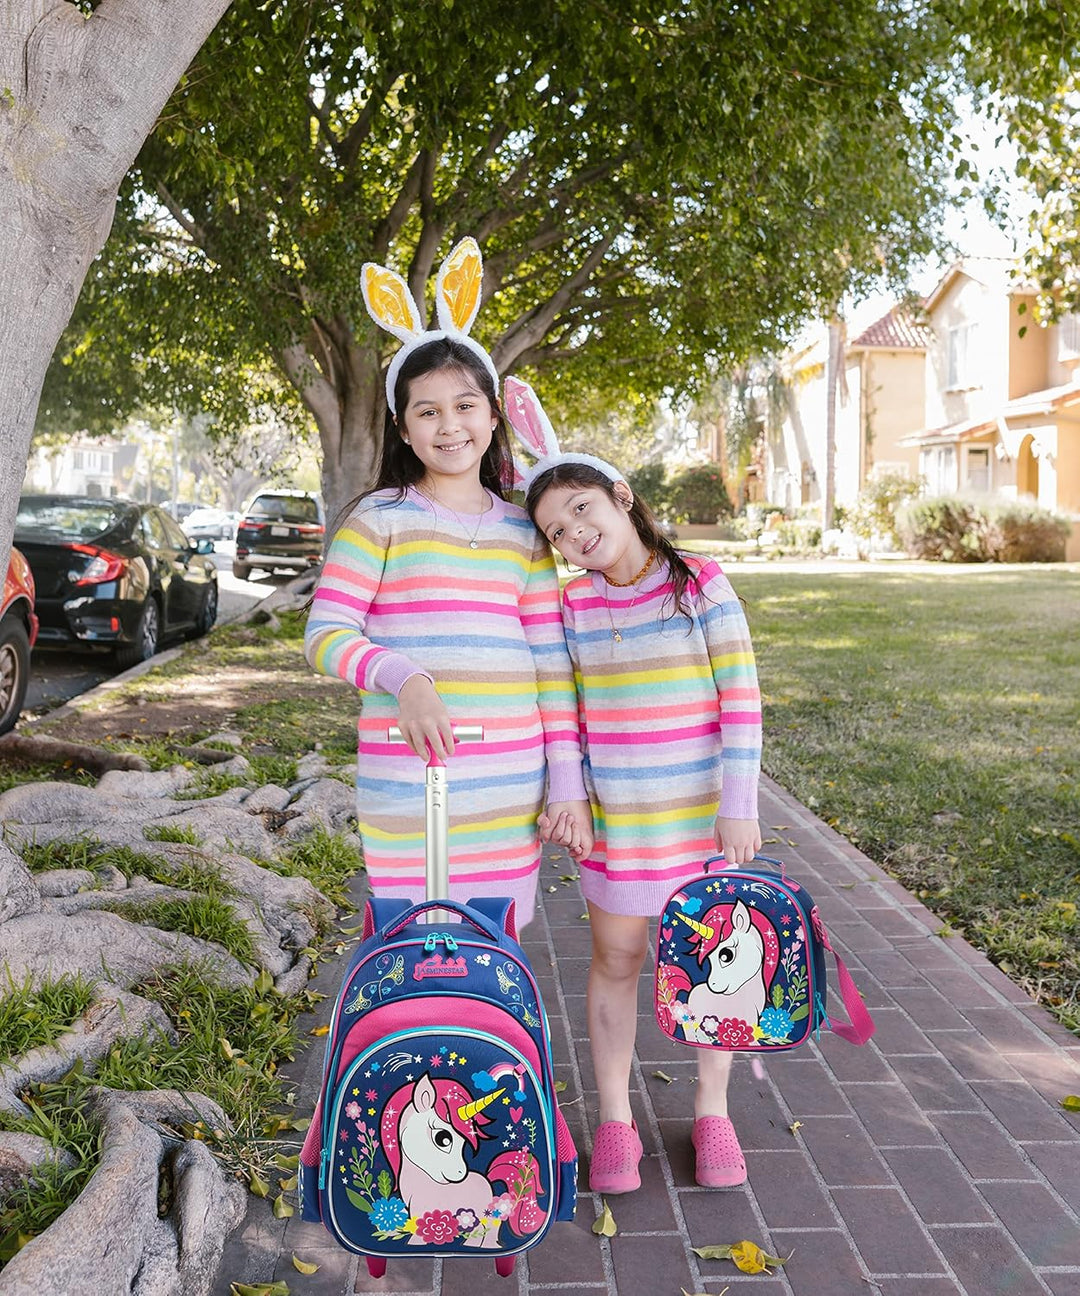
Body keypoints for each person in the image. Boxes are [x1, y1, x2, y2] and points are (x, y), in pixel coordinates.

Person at [504, 377, 762, 1192]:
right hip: (618, 820)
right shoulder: (572, 608)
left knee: (710, 961)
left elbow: (741, 699)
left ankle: (713, 1110)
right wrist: (568, 794)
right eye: (556, 529)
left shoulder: (699, 582)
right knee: (616, 957)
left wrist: (739, 804)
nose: (575, 532)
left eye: (582, 509)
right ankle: (616, 1120)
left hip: (701, 820)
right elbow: (561, 711)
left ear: (621, 497)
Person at [304, 241, 592, 926]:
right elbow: (325, 634)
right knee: (413, 951)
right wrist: (405, 678)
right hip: (409, 783)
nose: (450, 425)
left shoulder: (526, 531)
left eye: (465, 405)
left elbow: (551, 666)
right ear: (402, 428)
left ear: (492, 416)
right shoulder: (379, 519)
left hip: (509, 789)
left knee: (495, 954)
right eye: (427, 411)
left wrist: (566, 783)